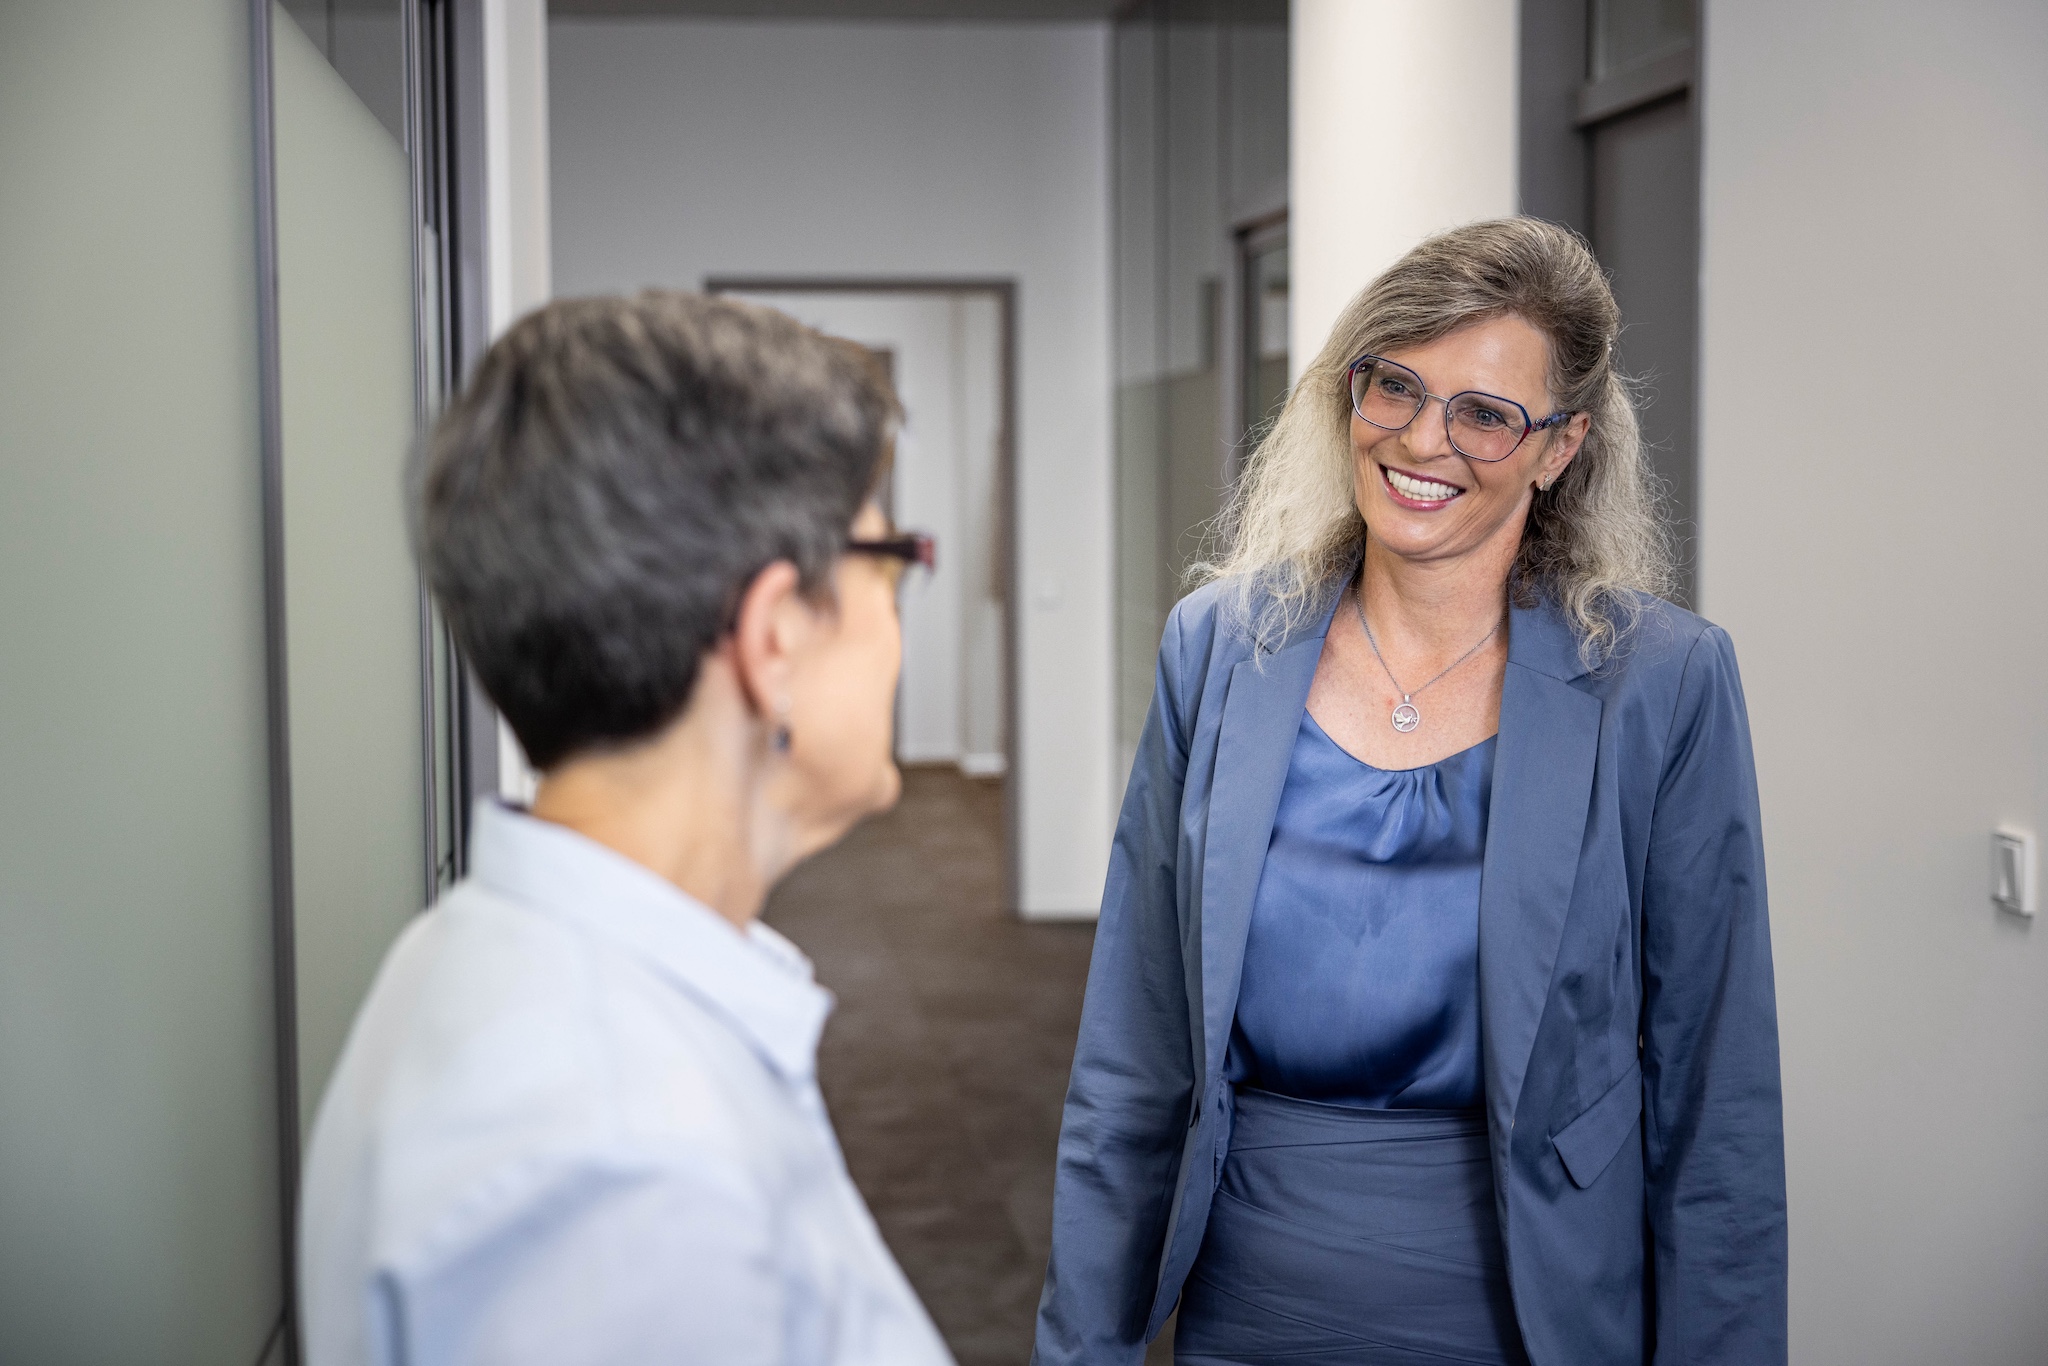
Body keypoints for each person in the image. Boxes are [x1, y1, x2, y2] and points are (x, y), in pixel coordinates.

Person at [1033, 218, 1786, 1366]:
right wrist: (1079, 1347)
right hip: (1247, 1302)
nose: (1422, 440)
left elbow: (1712, 1097)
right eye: (1394, 386)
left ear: (1557, 447)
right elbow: (1131, 1057)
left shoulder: (1659, 679)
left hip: (1528, 1313)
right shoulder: (1220, 647)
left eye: (1484, 412)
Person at [300, 291, 953, 1366]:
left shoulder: (491, 956)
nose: (893, 619)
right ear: (775, 634)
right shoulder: (627, 1178)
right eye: (888, 562)